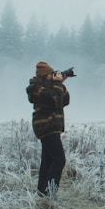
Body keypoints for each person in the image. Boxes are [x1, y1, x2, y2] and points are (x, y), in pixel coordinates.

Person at [26, 61, 70, 198]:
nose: (53, 76)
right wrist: (57, 84)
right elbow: (56, 100)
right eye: (52, 74)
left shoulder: (51, 87)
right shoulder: (37, 89)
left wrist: (60, 83)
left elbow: (65, 101)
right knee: (59, 160)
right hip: (46, 127)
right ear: (45, 76)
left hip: (52, 128)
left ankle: (41, 192)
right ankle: (50, 194)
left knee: (48, 161)